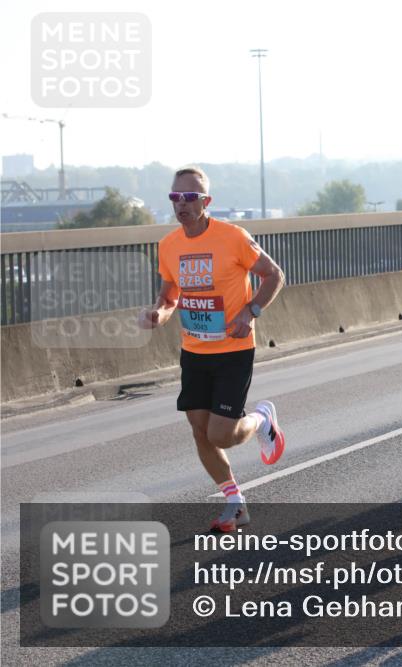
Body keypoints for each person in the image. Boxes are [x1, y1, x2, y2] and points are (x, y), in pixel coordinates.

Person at [138, 166, 287, 532]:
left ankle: (263, 420)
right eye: (175, 197)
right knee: (200, 431)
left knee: (221, 434)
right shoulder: (169, 245)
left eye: (190, 197)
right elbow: (170, 293)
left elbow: (274, 275)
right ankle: (235, 504)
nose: (182, 204)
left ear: (206, 202)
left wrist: (251, 312)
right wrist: (160, 311)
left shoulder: (233, 237)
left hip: (233, 350)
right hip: (194, 351)